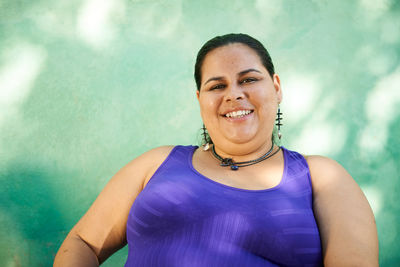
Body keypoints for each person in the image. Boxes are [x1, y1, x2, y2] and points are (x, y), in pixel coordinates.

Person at [54, 33, 379, 266]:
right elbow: (83, 243)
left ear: (276, 88)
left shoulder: (321, 176)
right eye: (217, 85)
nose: (233, 94)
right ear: (200, 101)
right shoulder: (156, 163)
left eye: (249, 80)